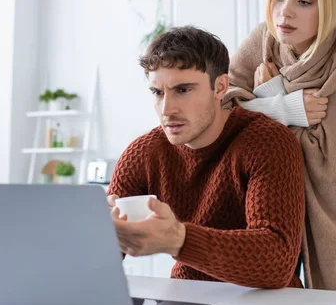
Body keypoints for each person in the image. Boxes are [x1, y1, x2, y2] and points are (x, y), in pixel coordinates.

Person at [225, 0, 336, 292]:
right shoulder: (262, 41)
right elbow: (220, 113)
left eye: (304, 1)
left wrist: (266, 96)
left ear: (330, 4)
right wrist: (279, 105)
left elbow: (330, 159)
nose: (284, 13)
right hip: (266, 214)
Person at [107, 26, 305, 289]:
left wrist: (179, 239)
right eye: (158, 92)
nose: (167, 109)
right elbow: (99, 261)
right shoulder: (142, 153)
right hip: (189, 297)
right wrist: (99, 234)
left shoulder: (268, 142)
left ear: (220, 87)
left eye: (183, 90)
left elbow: (277, 260)